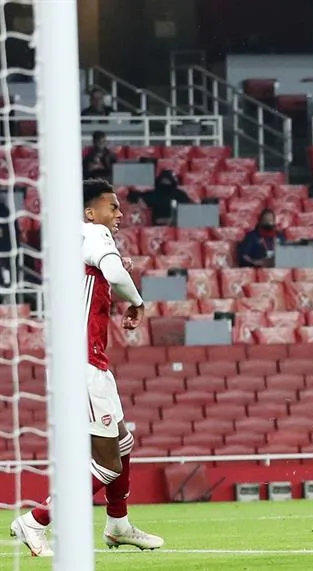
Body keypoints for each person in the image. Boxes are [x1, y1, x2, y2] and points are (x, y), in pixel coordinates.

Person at [10, 179, 163, 557]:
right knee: (108, 464)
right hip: (83, 365)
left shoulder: (73, 240)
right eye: (113, 207)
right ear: (90, 212)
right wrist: (138, 302)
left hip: (89, 360)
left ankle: (118, 524)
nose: (119, 214)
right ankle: (37, 520)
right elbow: (113, 272)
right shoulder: (92, 232)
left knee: (123, 442)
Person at [127, 170, 192, 225]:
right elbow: (133, 196)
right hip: (159, 227)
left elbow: (189, 209)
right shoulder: (153, 194)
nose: (165, 183)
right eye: (163, 180)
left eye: (168, 181)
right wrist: (139, 199)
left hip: (180, 226)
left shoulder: (180, 194)